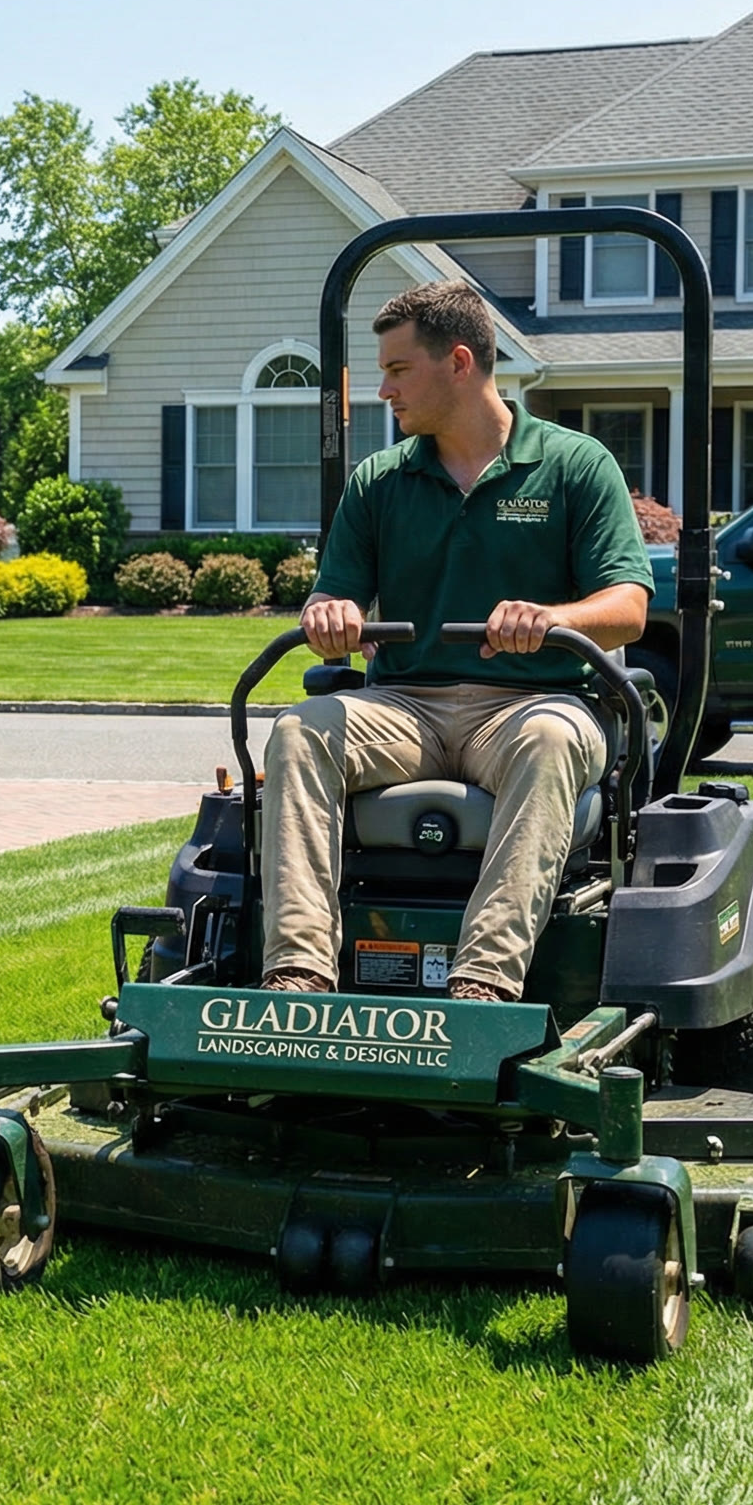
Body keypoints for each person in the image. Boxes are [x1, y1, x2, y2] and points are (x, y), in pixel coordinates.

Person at [259, 282, 652, 1000]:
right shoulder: (380, 481)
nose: (384, 390)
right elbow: (332, 593)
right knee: (299, 731)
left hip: (532, 705)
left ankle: (483, 984)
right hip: (405, 707)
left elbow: (628, 607)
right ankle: (298, 975)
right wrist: (328, 615)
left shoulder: (575, 465)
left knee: (550, 741)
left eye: (398, 370)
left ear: (459, 363)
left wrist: (551, 619)